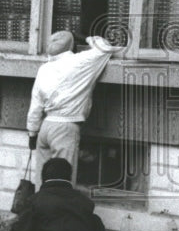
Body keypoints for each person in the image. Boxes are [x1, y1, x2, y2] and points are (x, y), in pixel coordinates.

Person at [27, 31, 124, 182]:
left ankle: (39, 204)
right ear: (71, 46)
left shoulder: (44, 69)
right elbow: (104, 47)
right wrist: (87, 37)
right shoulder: (80, 61)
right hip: (65, 127)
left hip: (45, 127)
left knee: (42, 178)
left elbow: (35, 105)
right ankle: (60, 206)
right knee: (62, 181)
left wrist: (32, 133)